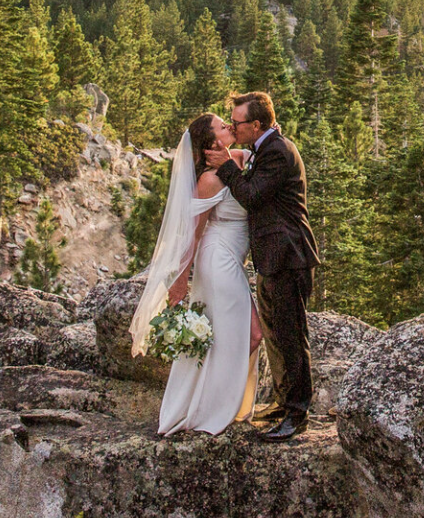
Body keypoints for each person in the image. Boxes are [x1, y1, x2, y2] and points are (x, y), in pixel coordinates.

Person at [132, 112, 266, 436]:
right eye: (223, 126)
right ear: (212, 142)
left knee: (240, 335)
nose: (229, 127)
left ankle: (223, 403)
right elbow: (192, 234)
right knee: (251, 334)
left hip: (235, 260)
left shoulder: (239, 158)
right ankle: (209, 410)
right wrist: (180, 284)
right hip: (217, 260)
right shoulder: (208, 180)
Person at [209, 91, 318, 441]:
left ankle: (297, 413)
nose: (233, 126)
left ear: (256, 125)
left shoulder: (278, 153)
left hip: (289, 256)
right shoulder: (265, 147)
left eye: (237, 122)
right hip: (273, 257)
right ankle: (284, 402)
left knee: (290, 335)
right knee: (274, 334)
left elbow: (252, 195)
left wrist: (224, 165)